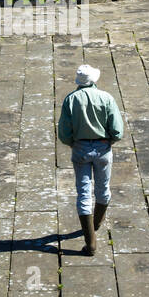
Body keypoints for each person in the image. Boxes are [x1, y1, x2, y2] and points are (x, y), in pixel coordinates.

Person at [57, 64, 124, 255]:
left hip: (80, 148)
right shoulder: (106, 98)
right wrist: (109, 141)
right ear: (94, 79)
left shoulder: (70, 99)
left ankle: (90, 242)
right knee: (103, 188)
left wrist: (72, 144)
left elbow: (64, 132)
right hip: (103, 148)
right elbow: (117, 130)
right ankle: (96, 224)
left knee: (83, 193)